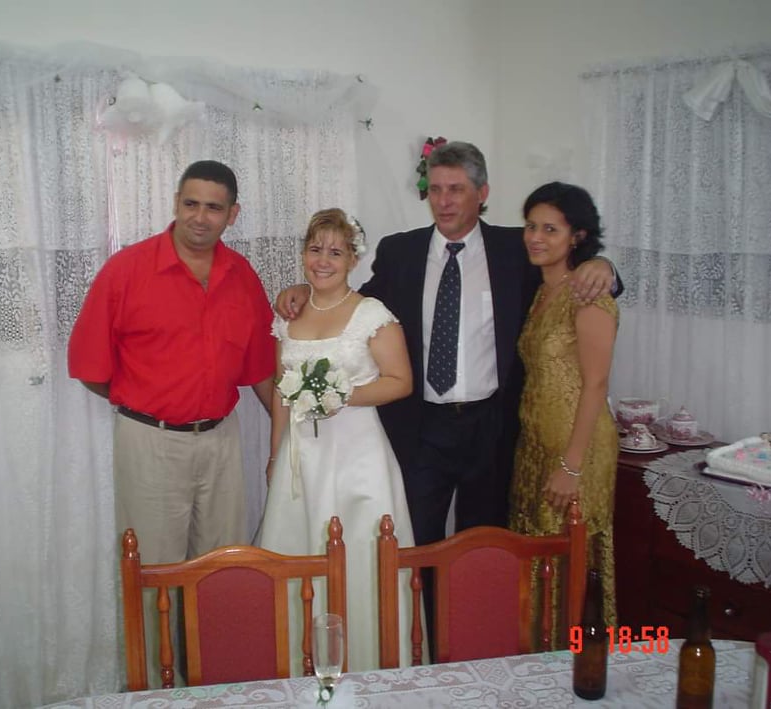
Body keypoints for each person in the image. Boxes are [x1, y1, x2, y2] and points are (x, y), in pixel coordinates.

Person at [277, 142, 619, 546]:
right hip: (421, 426)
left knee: (483, 543)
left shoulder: (516, 249)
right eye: (436, 189)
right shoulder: (400, 251)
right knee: (416, 541)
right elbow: (356, 303)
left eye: (456, 189)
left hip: (491, 427)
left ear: (482, 193)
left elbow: (567, 273)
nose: (443, 201)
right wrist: (307, 289)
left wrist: (604, 266)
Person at [68, 159, 275, 566]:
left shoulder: (242, 276)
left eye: (213, 208)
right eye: (191, 204)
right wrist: (147, 399)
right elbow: (89, 365)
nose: (199, 217)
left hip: (221, 442)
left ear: (232, 214)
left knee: (222, 567)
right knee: (153, 569)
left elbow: (261, 369)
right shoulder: (126, 270)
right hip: (150, 443)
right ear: (176, 202)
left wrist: (288, 439)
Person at [256, 208, 420, 671]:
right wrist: (275, 454)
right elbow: (281, 392)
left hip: (357, 458)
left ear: (353, 259)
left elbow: (401, 381)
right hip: (301, 459)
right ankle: (300, 667)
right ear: (303, 254)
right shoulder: (289, 315)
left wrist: (343, 396)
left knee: (361, 556)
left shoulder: (372, 314)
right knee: (299, 551)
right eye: (315, 249)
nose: (323, 260)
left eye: (335, 251)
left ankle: (371, 664)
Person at [509, 182, 619, 645]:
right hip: (536, 445)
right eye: (531, 226)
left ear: (577, 236)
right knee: (537, 558)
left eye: (550, 229)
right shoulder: (542, 291)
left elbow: (596, 384)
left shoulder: (588, 295)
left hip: (577, 450)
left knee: (572, 563)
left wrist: (571, 466)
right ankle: (536, 662)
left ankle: (577, 665)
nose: (536, 237)